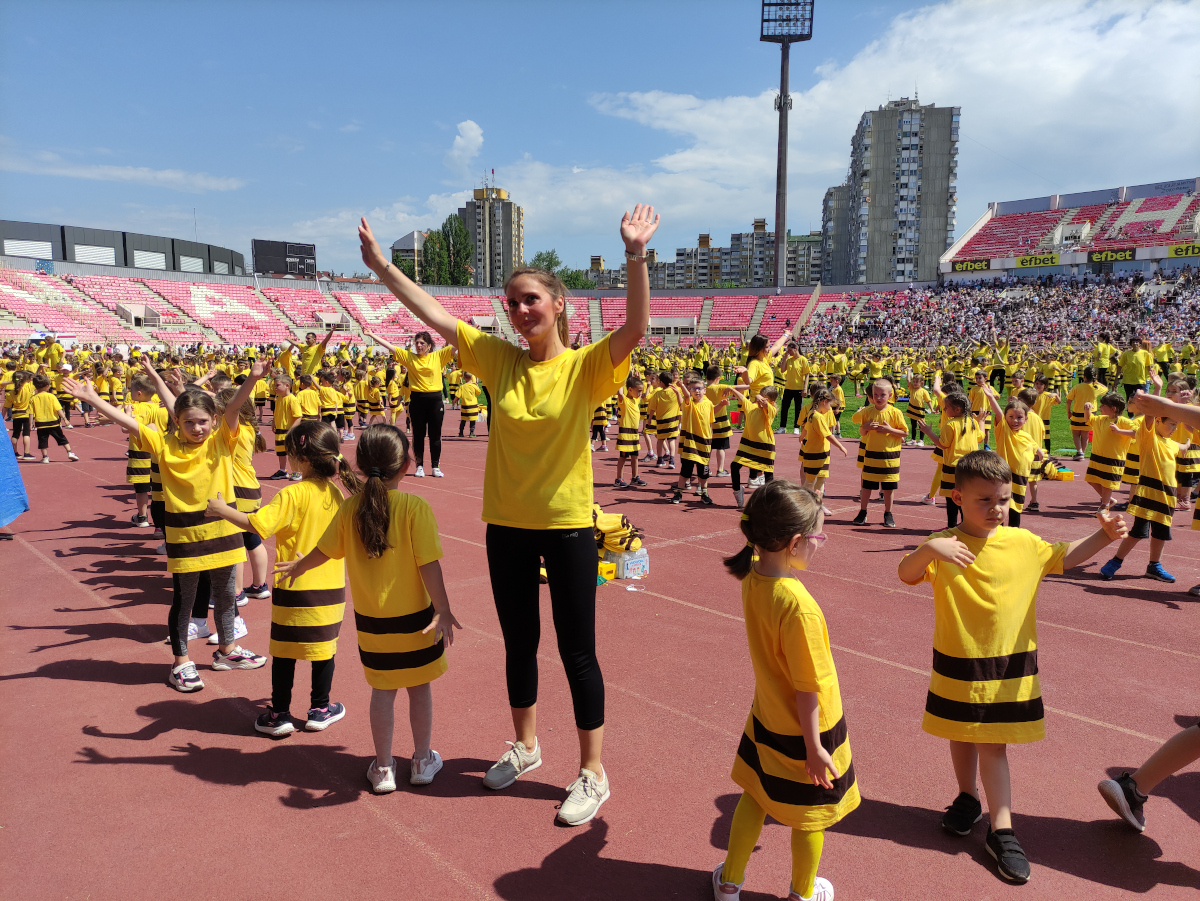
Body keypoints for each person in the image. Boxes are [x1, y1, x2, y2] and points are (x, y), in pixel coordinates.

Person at [356, 203, 658, 825]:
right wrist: (383, 267)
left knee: (578, 652)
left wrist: (634, 254)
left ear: (558, 304)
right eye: (511, 303)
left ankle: (593, 772)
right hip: (508, 530)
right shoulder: (498, 360)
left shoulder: (585, 367)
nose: (519, 312)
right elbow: (434, 315)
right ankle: (525, 745)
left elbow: (635, 328)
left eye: (530, 301)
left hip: (569, 527)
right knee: (519, 644)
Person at [897, 450, 1127, 884]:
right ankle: (967, 798)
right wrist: (930, 547)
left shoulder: (1022, 542)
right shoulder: (946, 545)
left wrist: (1105, 538)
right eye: (984, 500)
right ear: (957, 497)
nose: (996, 509)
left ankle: (1001, 830)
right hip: (956, 663)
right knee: (960, 731)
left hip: (1008, 668)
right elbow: (906, 573)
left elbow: (1065, 556)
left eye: (1003, 499)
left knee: (994, 745)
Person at [62, 358, 268, 691]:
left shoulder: (221, 441)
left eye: (203, 422)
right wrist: (93, 399)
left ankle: (227, 650)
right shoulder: (163, 444)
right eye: (189, 423)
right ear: (177, 421)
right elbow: (129, 422)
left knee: (227, 596)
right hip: (185, 537)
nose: (197, 428)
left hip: (224, 534)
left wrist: (253, 380)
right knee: (184, 602)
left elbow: (233, 408)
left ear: (214, 422)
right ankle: (181, 662)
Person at [277, 424, 460, 790]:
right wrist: (443, 608)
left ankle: (383, 767)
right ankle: (422, 761)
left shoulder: (350, 508)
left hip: (374, 626)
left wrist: (298, 565)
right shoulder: (414, 507)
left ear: (358, 463)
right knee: (419, 688)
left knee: (383, 692)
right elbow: (429, 565)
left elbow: (324, 550)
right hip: (418, 623)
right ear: (407, 464)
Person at [713, 481, 859, 901]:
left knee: (755, 795)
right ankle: (802, 893)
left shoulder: (753, 575)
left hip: (767, 718)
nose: (820, 544)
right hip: (807, 733)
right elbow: (808, 688)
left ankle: (729, 884)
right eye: (817, 536)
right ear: (795, 543)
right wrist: (815, 747)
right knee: (811, 816)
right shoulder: (799, 606)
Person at [208, 419, 356, 735]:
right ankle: (320, 707)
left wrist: (221, 509)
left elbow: (257, 524)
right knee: (324, 650)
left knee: (285, 652)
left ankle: (279, 714)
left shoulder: (293, 494)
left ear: (299, 458)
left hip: (293, 588)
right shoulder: (336, 494)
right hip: (330, 589)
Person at [1098, 411, 1189, 583]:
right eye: (1171, 424)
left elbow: (1182, 447)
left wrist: (1188, 444)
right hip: (1147, 494)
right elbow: (1148, 417)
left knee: (1161, 534)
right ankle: (1115, 561)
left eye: (1176, 425)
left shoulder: (1172, 443)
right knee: (1138, 532)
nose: (1174, 429)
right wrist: (1156, 395)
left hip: (1167, 497)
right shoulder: (1149, 438)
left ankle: (1154, 566)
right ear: (1158, 421)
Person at [366, 330, 455, 478]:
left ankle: (435, 466)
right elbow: (391, 347)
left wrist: (472, 332)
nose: (418, 346)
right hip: (417, 400)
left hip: (435, 400)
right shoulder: (409, 357)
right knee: (418, 434)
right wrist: (371, 335)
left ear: (429, 345)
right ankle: (419, 466)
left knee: (435, 435)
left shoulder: (439, 355)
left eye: (422, 343)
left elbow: (455, 346)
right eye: (417, 343)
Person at [850, 379, 907, 529]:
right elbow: (862, 431)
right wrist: (866, 427)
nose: (879, 398)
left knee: (888, 488)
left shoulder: (895, 413)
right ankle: (863, 511)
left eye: (882, 395)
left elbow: (905, 432)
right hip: (871, 456)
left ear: (890, 395)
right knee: (867, 486)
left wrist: (890, 430)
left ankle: (888, 513)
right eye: (876, 394)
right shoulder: (867, 412)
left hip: (890, 458)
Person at [726, 384, 778, 510]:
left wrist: (760, 397)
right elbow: (743, 398)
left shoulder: (771, 409)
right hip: (747, 444)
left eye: (764, 398)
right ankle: (738, 492)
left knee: (768, 475)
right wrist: (732, 389)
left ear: (771, 401)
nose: (760, 400)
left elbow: (764, 404)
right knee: (734, 466)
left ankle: (769, 502)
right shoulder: (752, 407)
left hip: (765, 446)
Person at [670, 373, 715, 505]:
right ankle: (679, 492)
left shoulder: (709, 404)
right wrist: (682, 386)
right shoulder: (689, 403)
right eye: (693, 388)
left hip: (704, 442)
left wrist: (710, 439)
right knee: (686, 470)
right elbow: (686, 396)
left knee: (703, 472)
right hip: (690, 441)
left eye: (699, 388)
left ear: (704, 390)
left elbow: (711, 423)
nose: (697, 391)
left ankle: (704, 493)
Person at [28, 374, 78, 465]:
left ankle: (45, 457)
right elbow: (58, 409)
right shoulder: (52, 396)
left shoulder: (33, 398)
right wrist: (65, 419)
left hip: (41, 423)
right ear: (47, 386)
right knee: (61, 438)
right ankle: (69, 452)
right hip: (53, 422)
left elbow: (31, 413)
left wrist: (30, 424)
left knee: (42, 441)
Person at [613, 376, 646, 488]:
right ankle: (619, 479)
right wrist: (622, 381)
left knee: (635, 456)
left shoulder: (636, 400)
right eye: (639, 391)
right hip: (625, 435)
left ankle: (635, 477)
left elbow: (641, 394)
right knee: (623, 457)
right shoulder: (624, 400)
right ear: (630, 390)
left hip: (634, 434)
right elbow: (621, 394)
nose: (640, 393)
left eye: (641, 391)